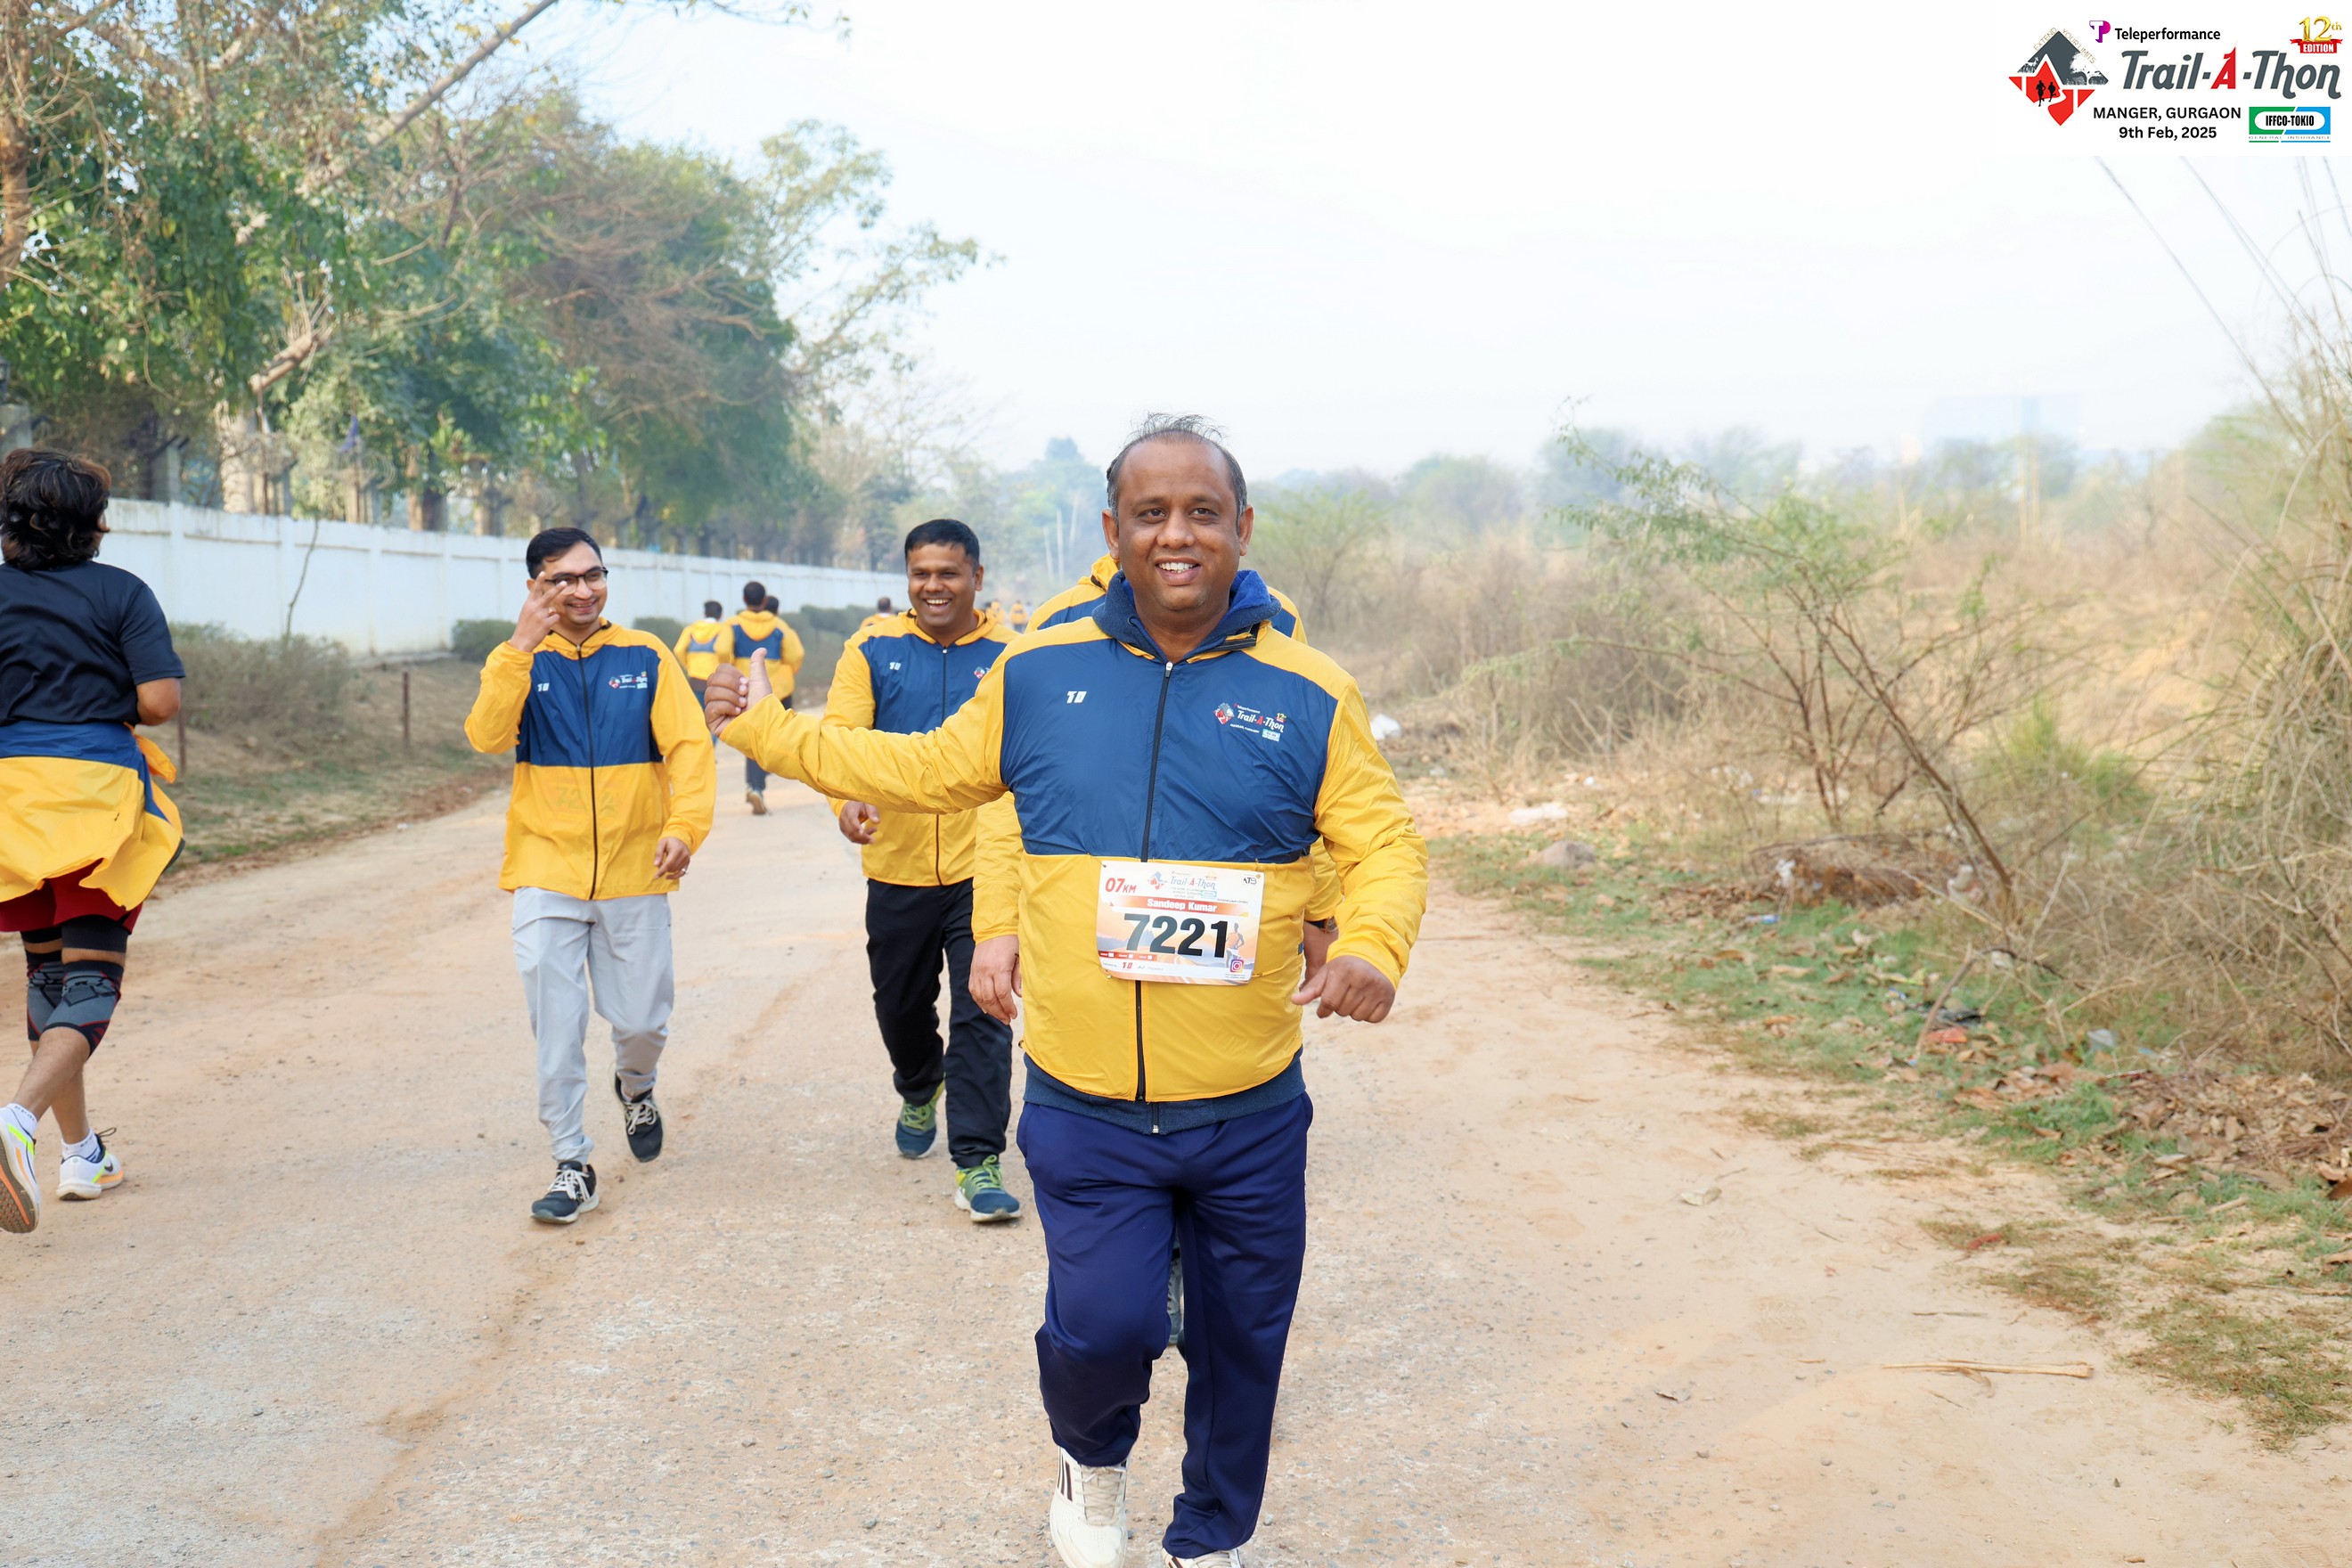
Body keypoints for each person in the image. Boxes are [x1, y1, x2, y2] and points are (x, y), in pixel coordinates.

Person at [706, 414, 1426, 1568]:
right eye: (1152, 512)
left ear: (1243, 528)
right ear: (1113, 530)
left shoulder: (1309, 691)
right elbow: (922, 768)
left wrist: (1372, 946)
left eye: (1203, 512)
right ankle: (1091, 1465)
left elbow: (1383, 841)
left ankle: (1212, 1533)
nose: (1177, 533)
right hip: (1088, 1099)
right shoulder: (1039, 672)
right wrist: (763, 729)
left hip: (1247, 1104)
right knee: (1104, 1329)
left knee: (1243, 1344)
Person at [464, 527, 715, 1224]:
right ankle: (571, 1162)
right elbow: (486, 735)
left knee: (642, 1020)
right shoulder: (518, 661)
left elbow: (690, 750)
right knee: (556, 1022)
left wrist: (684, 828)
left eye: (593, 575)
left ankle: (636, 1086)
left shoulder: (645, 655)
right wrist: (518, 650)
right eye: (563, 579)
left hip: (637, 868)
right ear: (535, 588)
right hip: (547, 867)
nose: (583, 590)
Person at [0, 450, 184, 1234]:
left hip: (11, 803)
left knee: (47, 975)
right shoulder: (122, 592)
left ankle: (81, 1153)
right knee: (90, 985)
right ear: (94, 525)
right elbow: (160, 702)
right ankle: (16, 1119)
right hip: (94, 803)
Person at [824, 519, 1021, 1221]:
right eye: (921, 574)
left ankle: (978, 1160)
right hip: (898, 866)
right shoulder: (872, 649)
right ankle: (918, 1084)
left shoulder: (1013, 656)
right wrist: (847, 800)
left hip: (986, 871)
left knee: (983, 1010)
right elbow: (841, 739)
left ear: (977, 578)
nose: (934, 586)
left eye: (949, 573)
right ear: (907, 578)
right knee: (900, 1007)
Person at [719, 581, 804, 815]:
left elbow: (722, 650)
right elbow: (796, 654)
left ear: (744, 600)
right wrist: (786, 670)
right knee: (774, 734)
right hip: (777, 689)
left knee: (754, 738)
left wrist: (732, 669)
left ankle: (755, 786)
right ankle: (765, 773)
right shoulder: (780, 626)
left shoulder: (732, 625)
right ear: (765, 601)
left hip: (745, 689)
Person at [674, 600, 729, 698]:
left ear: (704, 613)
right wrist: (725, 666)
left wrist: (688, 665)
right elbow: (723, 651)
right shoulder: (723, 629)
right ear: (721, 615)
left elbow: (678, 650)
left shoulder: (690, 629)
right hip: (715, 678)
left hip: (695, 678)